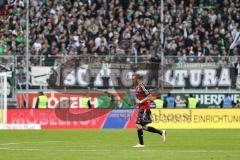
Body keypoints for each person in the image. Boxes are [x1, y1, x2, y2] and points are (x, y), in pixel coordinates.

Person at [132, 73, 166, 148]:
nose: (132, 80)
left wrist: (141, 101)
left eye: (133, 79)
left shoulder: (142, 86)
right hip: (141, 108)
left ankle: (141, 144)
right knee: (143, 127)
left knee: (138, 125)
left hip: (144, 108)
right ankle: (161, 132)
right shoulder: (137, 87)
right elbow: (138, 97)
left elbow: (150, 97)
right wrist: (137, 100)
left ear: (137, 79)